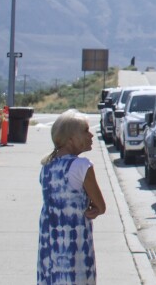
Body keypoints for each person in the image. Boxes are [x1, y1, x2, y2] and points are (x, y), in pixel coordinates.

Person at [37, 109, 105, 284]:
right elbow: (101, 206)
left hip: (50, 244)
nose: (91, 135)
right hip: (75, 246)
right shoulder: (82, 166)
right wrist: (93, 207)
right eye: (85, 130)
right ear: (70, 138)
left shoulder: (46, 166)